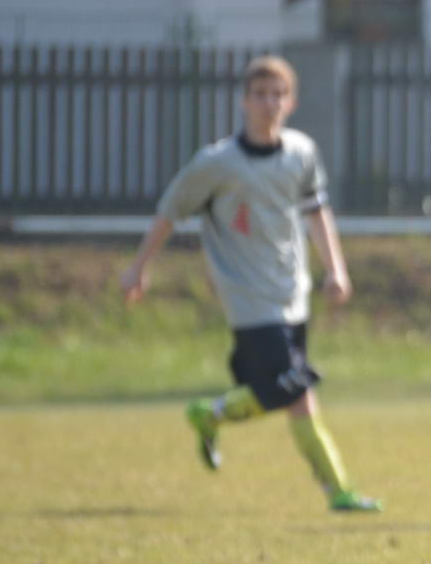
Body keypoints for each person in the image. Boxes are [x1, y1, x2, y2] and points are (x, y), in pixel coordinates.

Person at [119, 54, 381, 513]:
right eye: (260, 94)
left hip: (292, 291)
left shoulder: (301, 152)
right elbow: (170, 211)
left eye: (278, 94)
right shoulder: (216, 162)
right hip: (247, 296)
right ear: (243, 101)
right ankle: (338, 490)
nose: (269, 103)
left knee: (281, 394)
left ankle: (211, 414)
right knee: (296, 391)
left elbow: (317, 213)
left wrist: (336, 270)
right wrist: (139, 266)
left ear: (291, 102)